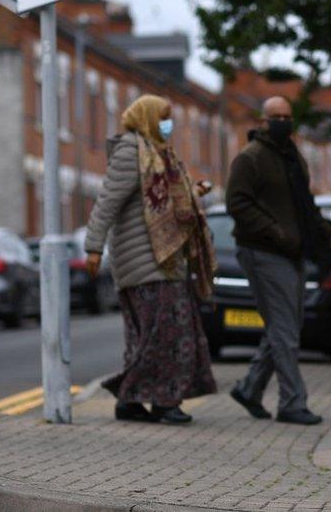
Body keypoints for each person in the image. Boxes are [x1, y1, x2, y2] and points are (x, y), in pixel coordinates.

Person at [84, 94, 217, 424]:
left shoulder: (160, 153)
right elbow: (107, 203)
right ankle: (163, 402)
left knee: (147, 337)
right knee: (167, 334)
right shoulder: (132, 152)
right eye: (163, 117)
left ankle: (130, 402)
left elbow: (161, 199)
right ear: (145, 118)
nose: (167, 124)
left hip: (165, 259)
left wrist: (194, 193)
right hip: (145, 260)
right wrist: (93, 247)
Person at [226, 96, 331, 425]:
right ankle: (292, 402)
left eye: (287, 116)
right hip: (263, 252)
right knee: (285, 330)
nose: (283, 122)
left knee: (286, 327)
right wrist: (276, 232)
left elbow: (306, 206)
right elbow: (237, 203)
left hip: (292, 252)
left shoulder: (292, 158)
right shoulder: (250, 158)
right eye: (276, 116)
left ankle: (250, 388)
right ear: (263, 121)